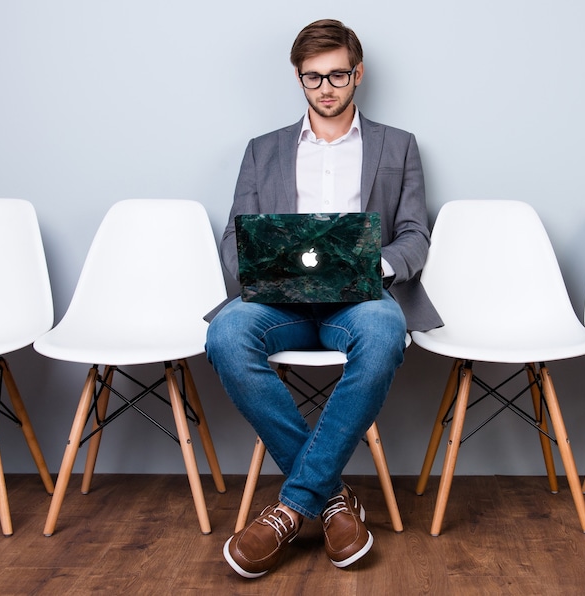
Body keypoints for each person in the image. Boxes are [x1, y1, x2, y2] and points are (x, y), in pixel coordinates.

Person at [205, 19, 442, 578]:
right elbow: (233, 239)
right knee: (226, 334)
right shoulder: (262, 151)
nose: (327, 88)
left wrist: (373, 265)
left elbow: (415, 235)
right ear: (299, 79)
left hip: (359, 300)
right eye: (314, 78)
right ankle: (332, 500)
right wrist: (269, 271)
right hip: (279, 303)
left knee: (386, 332)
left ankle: (289, 509)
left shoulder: (398, 146)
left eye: (338, 74)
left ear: (357, 73)